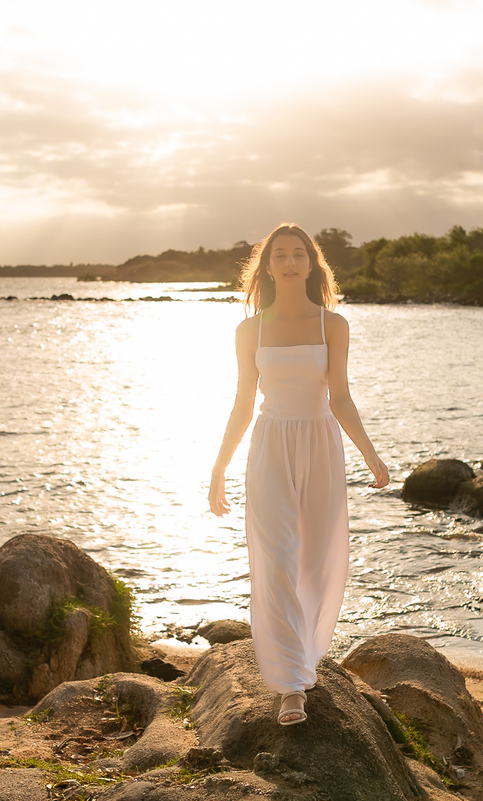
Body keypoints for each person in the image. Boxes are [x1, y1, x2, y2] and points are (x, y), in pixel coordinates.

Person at [208, 223, 389, 726]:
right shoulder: (251, 330)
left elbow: (341, 397)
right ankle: (290, 686)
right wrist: (219, 468)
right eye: (280, 255)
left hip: (320, 443)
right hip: (269, 445)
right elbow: (243, 403)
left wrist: (371, 455)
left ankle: (304, 657)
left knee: (317, 561)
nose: (289, 263)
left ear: (312, 264)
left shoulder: (334, 325)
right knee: (276, 560)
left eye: (298, 255)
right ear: (267, 266)